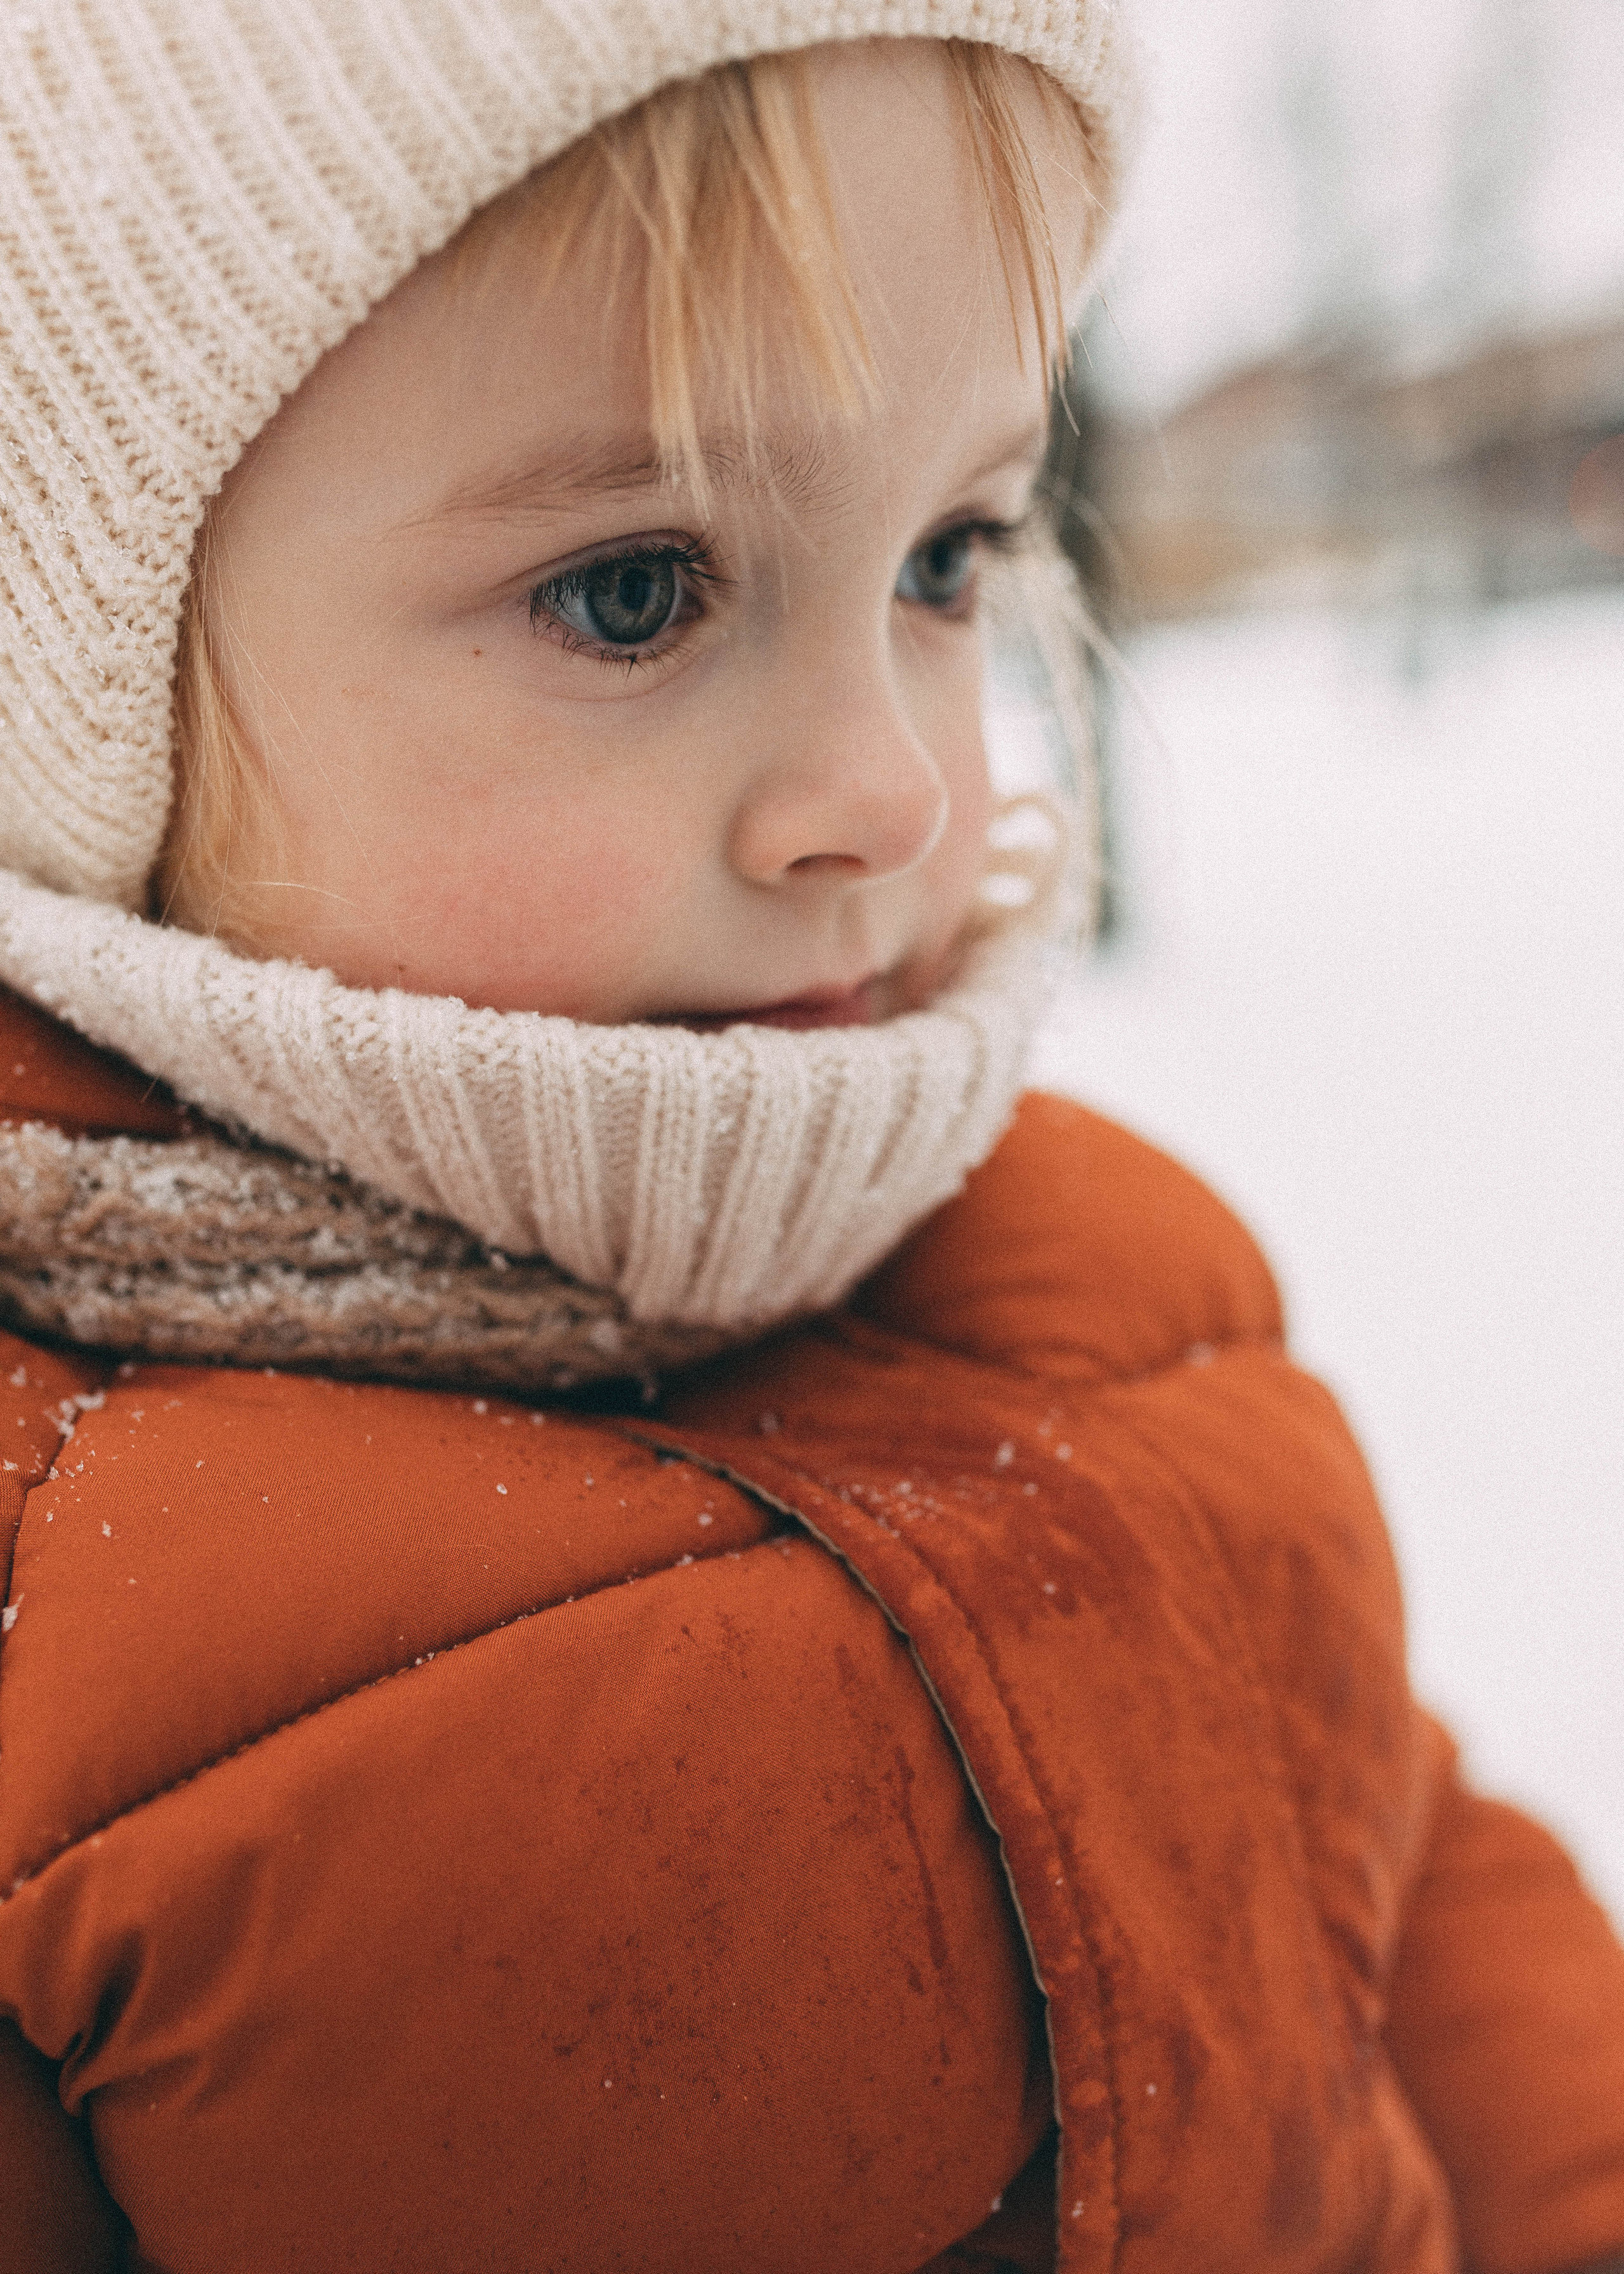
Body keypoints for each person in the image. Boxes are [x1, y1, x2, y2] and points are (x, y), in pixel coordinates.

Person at [0, 4, 1620, 2270]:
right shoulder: (51, 1629)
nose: (896, 790)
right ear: (89, 690)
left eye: (948, 557)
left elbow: (1388, 1880)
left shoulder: (1079, 1266)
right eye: (635, 591)